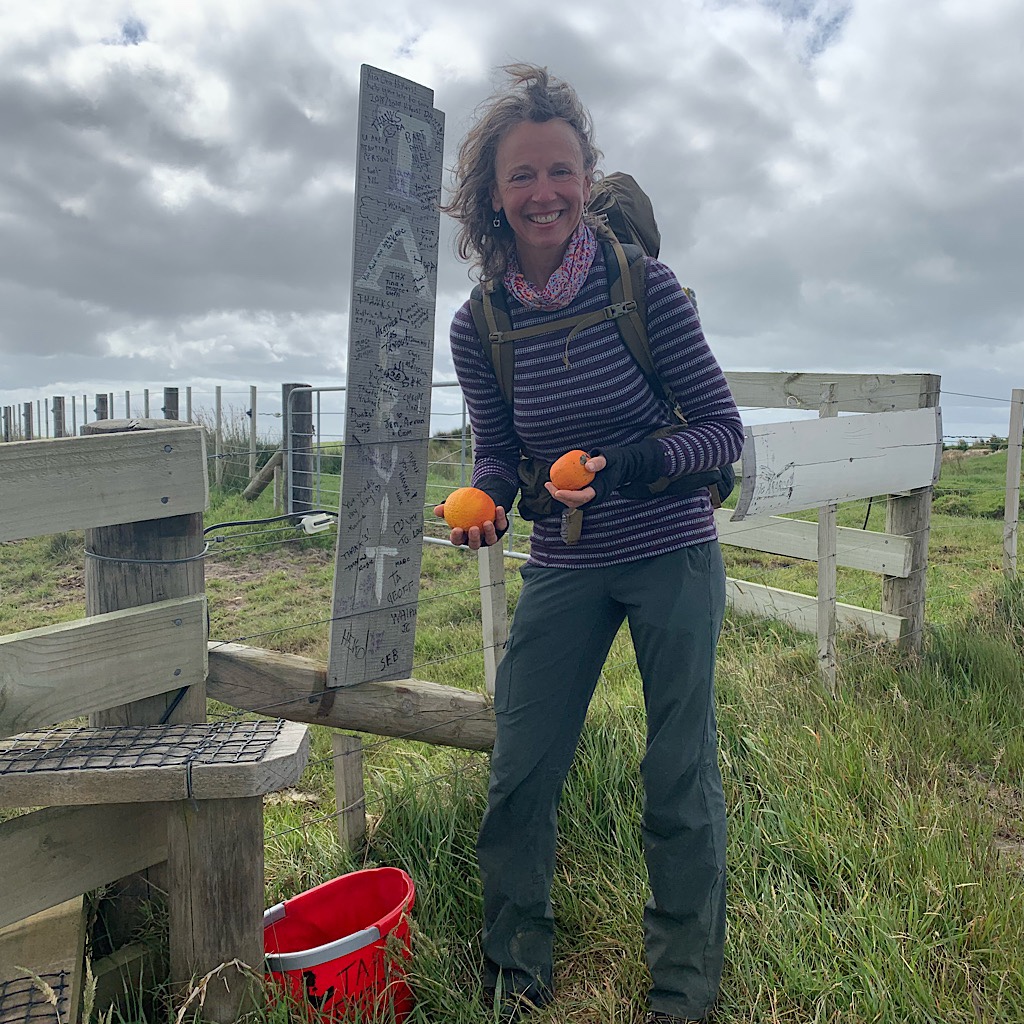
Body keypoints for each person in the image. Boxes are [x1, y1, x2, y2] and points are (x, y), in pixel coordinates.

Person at [435, 64, 744, 1024]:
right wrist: (484, 502)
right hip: (565, 562)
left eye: (561, 171)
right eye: (523, 176)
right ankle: (515, 979)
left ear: (587, 175)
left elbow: (724, 435)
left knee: (676, 770)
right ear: (492, 193)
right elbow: (497, 455)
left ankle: (683, 992)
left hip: (671, 553)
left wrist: (632, 463)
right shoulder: (480, 323)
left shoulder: (643, 289)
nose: (545, 194)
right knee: (522, 767)